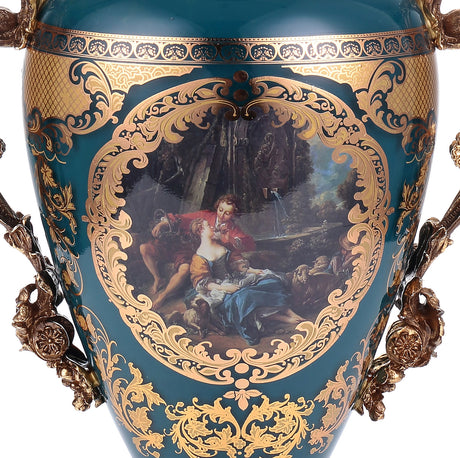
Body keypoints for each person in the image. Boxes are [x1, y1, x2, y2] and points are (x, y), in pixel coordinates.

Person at [189, 218, 303, 345]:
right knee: (245, 296)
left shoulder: (221, 245)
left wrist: (253, 271)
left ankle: (289, 312)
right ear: (200, 230)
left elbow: (235, 264)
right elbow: (204, 283)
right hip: (220, 290)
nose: (212, 227)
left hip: (235, 279)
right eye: (208, 226)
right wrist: (226, 288)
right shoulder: (199, 257)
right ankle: (282, 318)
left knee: (271, 281)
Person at [139, 194, 255, 309]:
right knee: (144, 248)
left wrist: (230, 239)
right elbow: (181, 218)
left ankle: (163, 295)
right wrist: (163, 223)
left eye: (227, 213)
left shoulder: (232, 228)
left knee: (184, 269)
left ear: (233, 214)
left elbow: (248, 244)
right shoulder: (206, 215)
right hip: (177, 243)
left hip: (189, 251)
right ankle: (157, 278)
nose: (222, 214)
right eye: (220, 210)